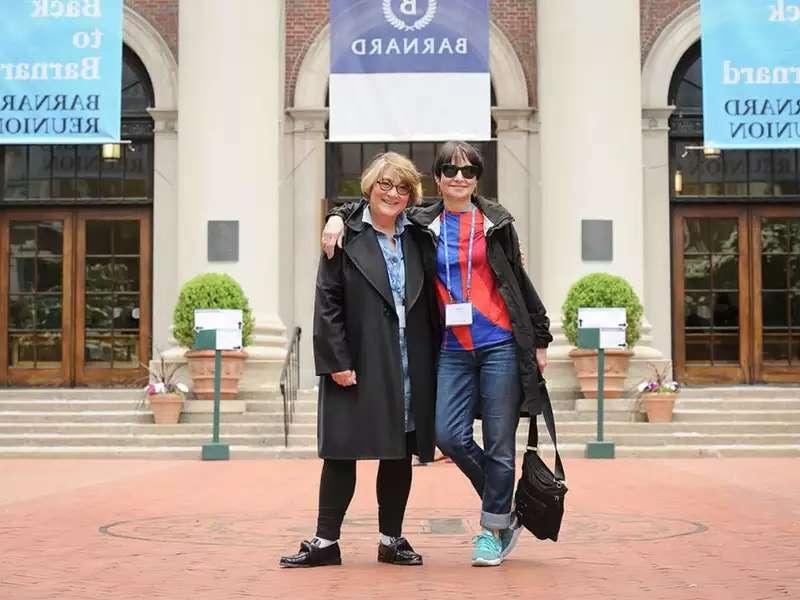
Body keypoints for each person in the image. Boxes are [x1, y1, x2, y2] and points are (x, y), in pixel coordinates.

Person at [322, 141, 553, 567]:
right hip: (451, 348)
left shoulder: (496, 222)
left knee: (500, 443)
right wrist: (337, 215)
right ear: (438, 178)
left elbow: (520, 282)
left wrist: (539, 338)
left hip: (499, 343)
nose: (459, 178)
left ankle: (491, 530)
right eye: (449, 170)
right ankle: (507, 505)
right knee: (448, 435)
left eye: (467, 171)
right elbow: (378, 199)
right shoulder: (422, 223)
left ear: (477, 177)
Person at [280, 152, 439, 569]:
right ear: (369, 187)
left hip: (407, 361)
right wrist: (336, 359)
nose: (393, 193)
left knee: (398, 453)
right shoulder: (345, 235)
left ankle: (392, 540)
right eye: (385, 184)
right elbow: (327, 301)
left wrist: (507, 246)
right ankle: (325, 541)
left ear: (411, 195)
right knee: (341, 452)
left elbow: (466, 204)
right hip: (358, 358)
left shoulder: (419, 235)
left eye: (403, 187)